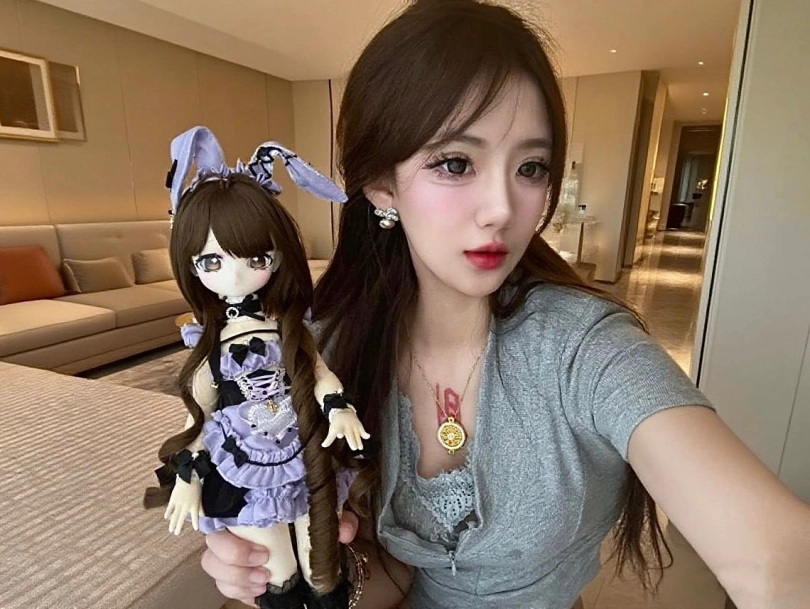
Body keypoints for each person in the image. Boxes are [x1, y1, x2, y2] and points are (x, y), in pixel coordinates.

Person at [198, 1, 810, 608]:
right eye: (456, 162)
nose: (503, 209)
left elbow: (778, 561)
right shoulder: (335, 346)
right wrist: (295, 578)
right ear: (382, 184)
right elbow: (398, 574)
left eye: (531, 167)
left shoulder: (584, 349)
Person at [144, 127, 369, 608]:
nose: (235, 272)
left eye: (255, 257)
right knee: (274, 571)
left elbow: (320, 374)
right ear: (191, 265)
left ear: (277, 256)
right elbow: (200, 416)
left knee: (321, 562)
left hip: (304, 445)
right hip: (246, 456)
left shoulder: (289, 328)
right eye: (211, 261)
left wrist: (339, 408)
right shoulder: (209, 346)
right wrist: (188, 475)